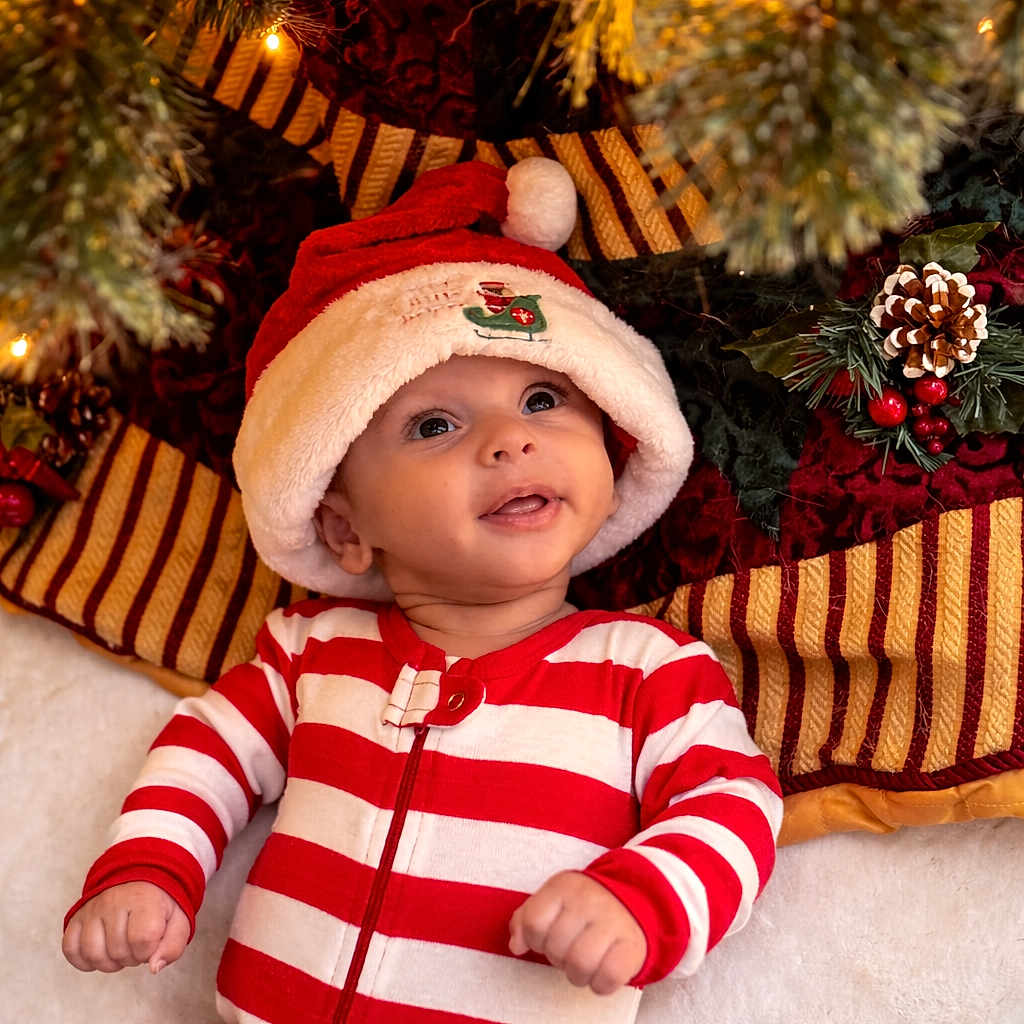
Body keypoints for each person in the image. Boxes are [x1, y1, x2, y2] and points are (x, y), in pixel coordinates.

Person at [62, 158, 783, 1023]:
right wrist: (147, 868)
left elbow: (734, 803)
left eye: (544, 397)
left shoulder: (641, 670)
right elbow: (203, 754)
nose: (512, 440)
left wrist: (642, 902)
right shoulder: (309, 653)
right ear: (343, 528)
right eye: (435, 424)